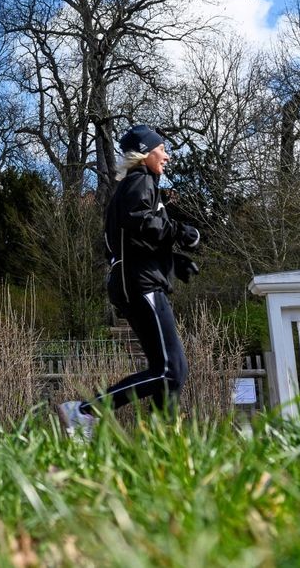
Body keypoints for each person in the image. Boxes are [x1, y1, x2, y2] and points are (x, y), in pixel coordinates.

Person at [56, 125, 200, 437]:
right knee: (171, 370)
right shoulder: (140, 179)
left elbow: (134, 237)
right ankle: (83, 411)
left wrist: (173, 262)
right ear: (146, 152)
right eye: (162, 149)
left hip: (138, 279)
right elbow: (140, 222)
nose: (167, 156)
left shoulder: (139, 184)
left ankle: (164, 441)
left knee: (168, 371)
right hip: (140, 283)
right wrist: (180, 232)